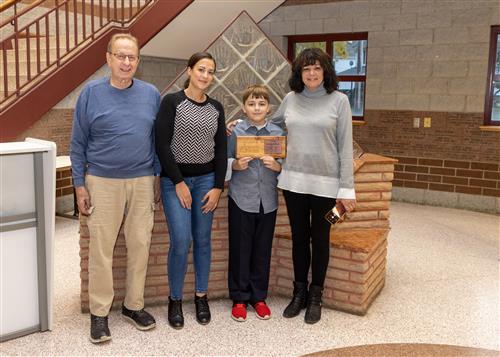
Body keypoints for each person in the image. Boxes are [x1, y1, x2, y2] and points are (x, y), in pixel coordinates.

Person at [70, 33, 160, 343]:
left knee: (139, 245)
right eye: (120, 56)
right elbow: (77, 143)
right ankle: (99, 313)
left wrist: (157, 177)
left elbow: (156, 140)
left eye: (131, 57)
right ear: (108, 59)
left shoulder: (151, 94)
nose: (126, 62)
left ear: (138, 61)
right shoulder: (90, 94)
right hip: (102, 181)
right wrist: (79, 186)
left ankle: (133, 306)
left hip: (142, 180)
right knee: (101, 249)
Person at [273, 48, 356, 324]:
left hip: (326, 186)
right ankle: (299, 293)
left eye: (316, 68)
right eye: (306, 69)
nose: (311, 73)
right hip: (293, 182)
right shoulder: (290, 99)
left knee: (320, 240)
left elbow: (345, 148)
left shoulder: (339, 101)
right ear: (299, 73)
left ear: (325, 71)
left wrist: (347, 189)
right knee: (299, 238)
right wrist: (242, 126)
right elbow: (272, 127)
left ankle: (315, 295)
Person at [155, 52, 227, 329]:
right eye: (201, 69)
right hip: (176, 183)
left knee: (203, 240)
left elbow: (220, 149)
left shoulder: (216, 108)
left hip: (207, 181)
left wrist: (219, 187)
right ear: (189, 71)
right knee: (181, 241)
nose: (205, 76)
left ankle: (200, 296)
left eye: (210, 71)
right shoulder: (172, 102)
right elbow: (162, 145)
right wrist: (178, 181)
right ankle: (175, 299)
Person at [225, 85, 284, 322]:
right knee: (240, 250)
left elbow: (286, 164)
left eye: (261, 104)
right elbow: (225, 159)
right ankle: (239, 299)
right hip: (241, 199)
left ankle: (258, 297)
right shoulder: (236, 132)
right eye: (251, 104)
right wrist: (234, 166)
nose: (256, 108)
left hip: (268, 201)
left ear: (268, 108)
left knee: (262, 250)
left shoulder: (277, 133)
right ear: (243, 107)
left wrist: (278, 167)